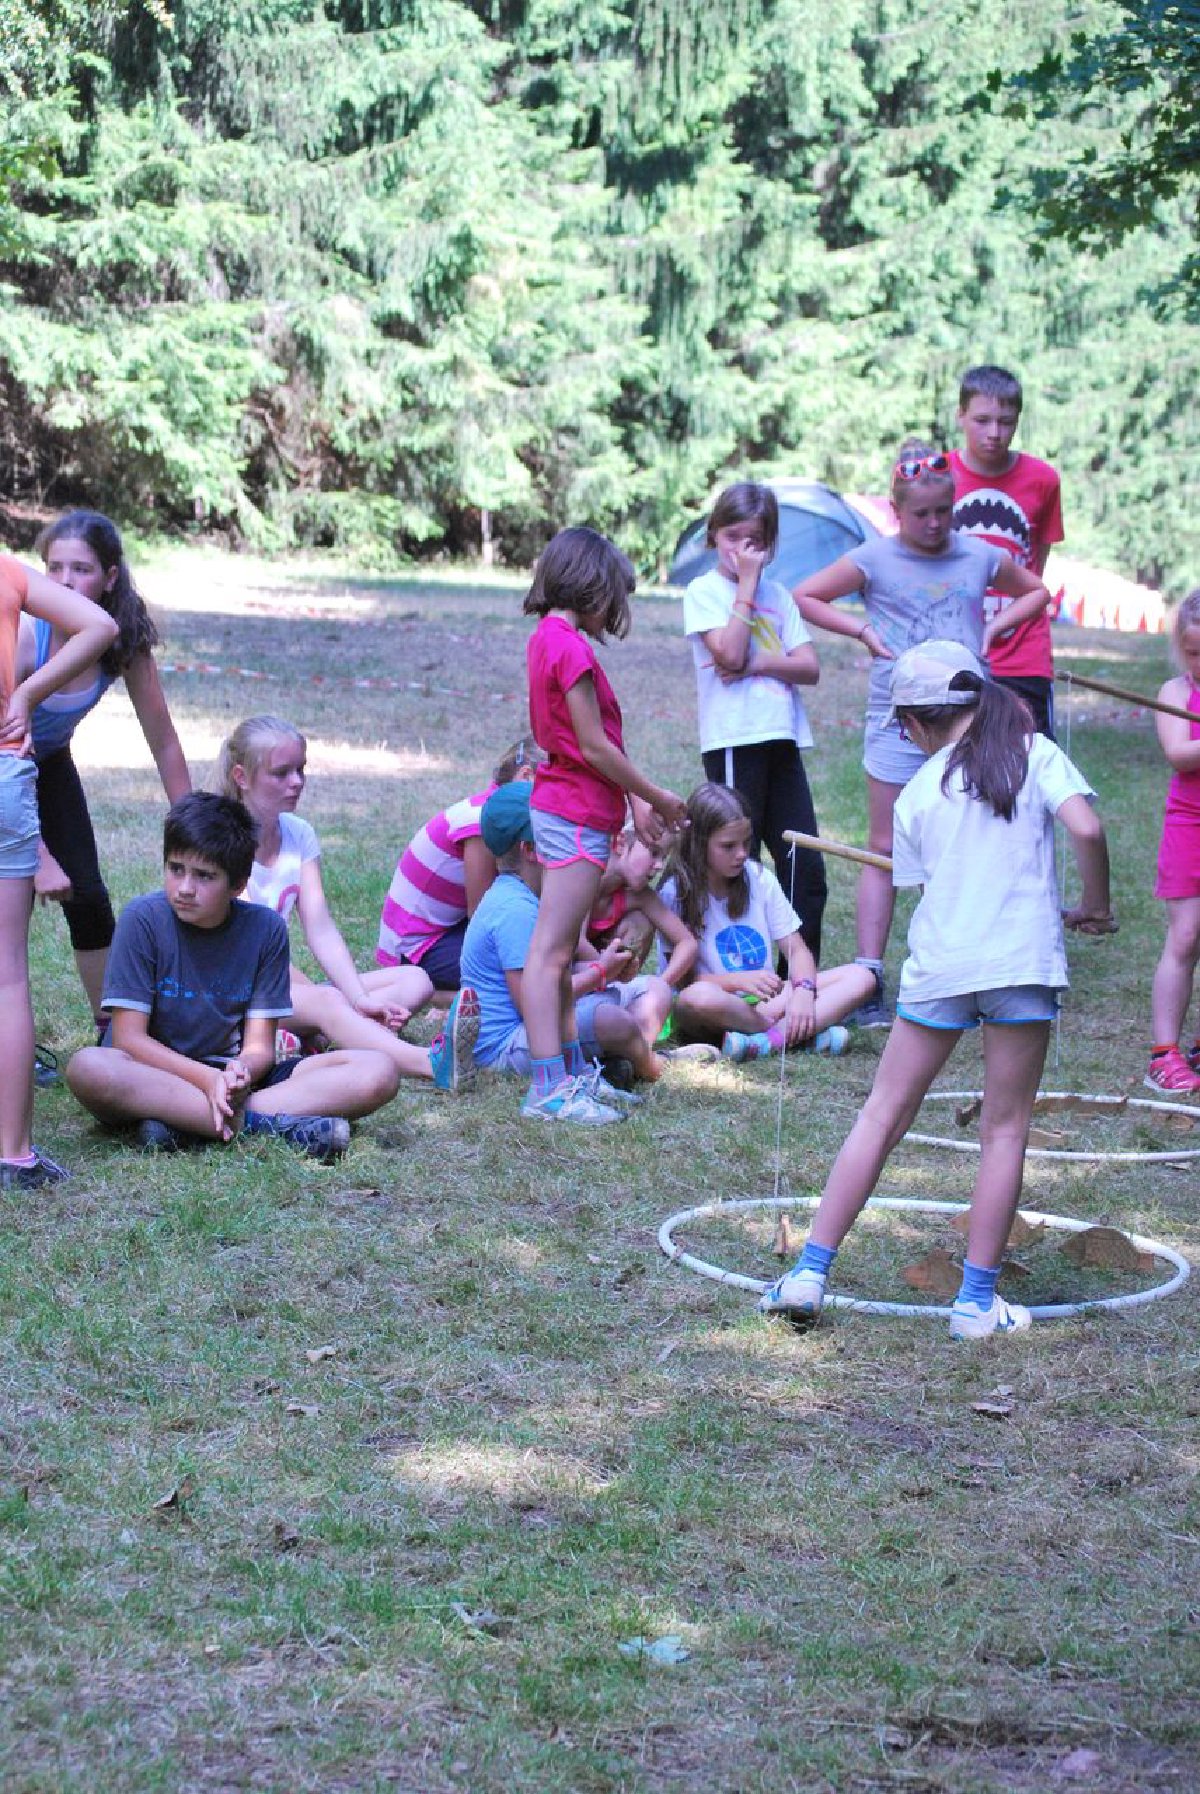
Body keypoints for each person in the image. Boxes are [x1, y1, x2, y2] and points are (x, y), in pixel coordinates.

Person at [760, 642, 1115, 1340]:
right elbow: (1087, 825)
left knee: (880, 1117)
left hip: (943, 968)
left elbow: (923, 885)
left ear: (916, 722)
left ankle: (808, 1273)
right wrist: (1096, 904)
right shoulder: (1034, 754)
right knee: (1004, 1128)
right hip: (1019, 965)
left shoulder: (919, 791)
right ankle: (975, 1304)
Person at [793, 440, 1052, 1026]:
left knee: (970, 833)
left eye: (943, 511)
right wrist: (861, 632)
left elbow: (1036, 591)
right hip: (899, 717)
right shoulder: (874, 558)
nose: (934, 524)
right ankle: (869, 975)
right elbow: (805, 596)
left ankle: (975, 968)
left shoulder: (978, 555)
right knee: (882, 846)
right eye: (921, 514)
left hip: (968, 714)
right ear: (896, 510)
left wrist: (994, 629)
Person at [66, 794, 401, 1159]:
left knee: (378, 1070)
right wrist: (206, 1079)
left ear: (238, 884)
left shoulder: (265, 930)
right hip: (153, 1072)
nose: (185, 888)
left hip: (234, 1079)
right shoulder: (142, 920)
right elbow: (129, 1040)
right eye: (176, 869)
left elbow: (259, 1047)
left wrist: (238, 1073)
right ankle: (264, 1125)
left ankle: (182, 1124)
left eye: (204, 876)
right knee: (89, 1067)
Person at [519, 527, 686, 1124]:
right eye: (614, 594)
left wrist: (634, 803)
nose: (616, 610)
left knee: (560, 953)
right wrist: (656, 795)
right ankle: (548, 1087)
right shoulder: (569, 648)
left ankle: (569, 1074)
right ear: (592, 585)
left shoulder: (552, 639)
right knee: (550, 955)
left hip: (578, 808)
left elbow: (593, 743)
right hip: (573, 812)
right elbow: (591, 746)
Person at [218, 715, 478, 1093]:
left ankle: (315, 1037)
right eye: (281, 773)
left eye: (300, 769)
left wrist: (358, 998)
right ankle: (429, 1064)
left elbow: (321, 928)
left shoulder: (299, 834)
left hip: (275, 990)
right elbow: (250, 952)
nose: (297, 782)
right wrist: (332, 999)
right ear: (241, 777)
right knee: (327, 1001)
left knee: (414, 980)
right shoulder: (222, 840)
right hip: (231, 995)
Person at [17, 512, 192, 1028]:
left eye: (82, 569)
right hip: (4, 768)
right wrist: (38, 855)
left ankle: (115, 1033)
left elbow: (163, 740)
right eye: (54, 568)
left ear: (110, 577)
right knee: (10, 905)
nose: (65, 582)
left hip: (46, 763)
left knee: (88, 895)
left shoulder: (121, 638)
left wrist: (194, 826)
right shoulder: (25, 636)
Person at [0, 550, 118, 1188]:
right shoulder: (8, 571)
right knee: (7, 978)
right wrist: (26, 692)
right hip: (5, 774)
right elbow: (101, 625)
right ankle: (14, 1156)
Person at [681, 482, 827, 961]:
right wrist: (746, 584)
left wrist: (759, 663)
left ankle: (800, 981)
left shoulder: (780, 596)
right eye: (732, 538)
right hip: (734, 741)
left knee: (803, 864)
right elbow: (728, 652)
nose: (743, 551)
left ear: (770, 543)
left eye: (755, 542)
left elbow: (810, 667)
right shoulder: (704, 592)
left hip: (781, 740)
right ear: (713, 535)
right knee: (735, 861)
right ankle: (735, 976)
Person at [460, 782, 668, 1112]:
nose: (571, 844)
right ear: (531, 849)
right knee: (612, 1020)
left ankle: (617, 1057)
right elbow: (532, 1003)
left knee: (654, 989)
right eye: (558, 835)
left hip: (544, 1021)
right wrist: (599, 974)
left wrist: (607, 967)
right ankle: (652, 1065)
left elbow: (558, 976)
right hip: (508, 1043)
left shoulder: (532, 895)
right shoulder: (513, 910)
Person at [658, 783, 875, 1060]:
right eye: (728, 846)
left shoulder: (759, 878)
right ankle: (791, 1035)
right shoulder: (676, 892)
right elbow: (683, 983)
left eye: (746, 842)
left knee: (862, 977)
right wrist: (738, 981)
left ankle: (766, 1042)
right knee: (696, 998)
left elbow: (797, 951)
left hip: (767, 1002)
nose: (741, 853)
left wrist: (803, 992)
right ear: (699, 844)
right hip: (713, 1006)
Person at [376, 734, 543, 994]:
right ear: (527, 776)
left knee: (529, 949)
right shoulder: (481, 823)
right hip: (415, 946)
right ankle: (443, 997)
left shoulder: (497, 811)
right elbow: (480, 914)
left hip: (448, 928)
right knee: (522, 961)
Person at [950, 365, 1065, 738]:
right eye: (982, 420)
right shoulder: (937, 476)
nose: (994, 433)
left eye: (1006, 422)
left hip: (1023, 655)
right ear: (960, 415)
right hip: (953, 647)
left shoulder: (1043, 480)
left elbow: (1035, 568)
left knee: (1030, 759)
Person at [1147, 591, 1200, 1093]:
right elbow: (1180, 754)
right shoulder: (1175, 691)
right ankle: (1165, 1052)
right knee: (1185, 936)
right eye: (1194, 652)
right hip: (1190, 825)